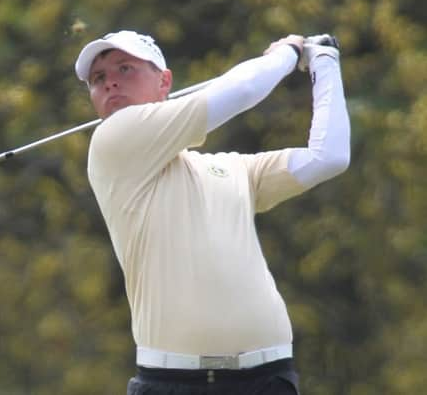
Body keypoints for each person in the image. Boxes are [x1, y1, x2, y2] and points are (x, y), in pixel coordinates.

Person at [74, 30, 350, 395]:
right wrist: (286, 54)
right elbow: (244, 90)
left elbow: (328, 157)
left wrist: (325, 62)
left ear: (164, 82)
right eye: (98, 79)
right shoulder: (113, 141)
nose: (109, 83)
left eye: (125, 69)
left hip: (268, 378)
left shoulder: (230, 169)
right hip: (175, 383)